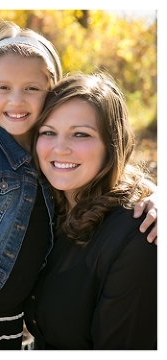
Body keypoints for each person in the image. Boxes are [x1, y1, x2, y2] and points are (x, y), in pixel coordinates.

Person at [0, 21, 156, 350]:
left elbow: (115, 173)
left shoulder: (47, 161)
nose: (17, 100)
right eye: (3, 88)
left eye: (32, 89)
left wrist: (155, 194)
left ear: (50, 94)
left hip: (5, 331)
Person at [24, 72, 156, 349]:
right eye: (48, 132)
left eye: (81, 134)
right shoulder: (40, 206)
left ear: (112, 145)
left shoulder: (138, 237)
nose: (60, 148)